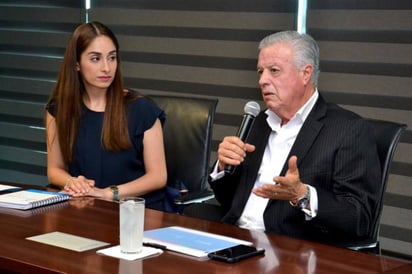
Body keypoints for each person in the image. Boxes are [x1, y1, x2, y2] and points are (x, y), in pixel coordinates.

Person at [188, 30, 381, 246]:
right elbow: (231, 200)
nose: (263, 80)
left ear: (305, 73)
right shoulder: (260, 122)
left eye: (274, 71)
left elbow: (359, 217)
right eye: (260, 71)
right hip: (235, 239)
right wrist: (223, 167)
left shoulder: (348, 130)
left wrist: (302, 195)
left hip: (291, 249)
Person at [45, 21, 167, 210]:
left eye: (112, 58)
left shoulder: (142, 109)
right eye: (95, 59)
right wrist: (72, 182)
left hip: (135, 211)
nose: (107, 68)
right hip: (85, 208)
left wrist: (109, 193)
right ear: (76, 64)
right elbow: (54, 169)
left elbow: (158, 177)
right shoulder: (58, 110)